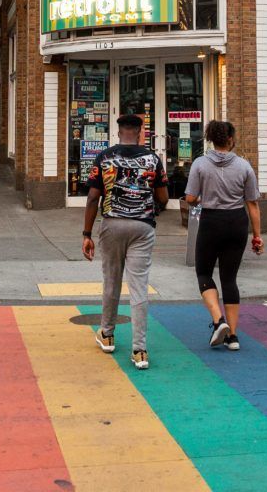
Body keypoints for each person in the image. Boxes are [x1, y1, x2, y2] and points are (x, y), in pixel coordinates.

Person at [83, 114, 169, 370]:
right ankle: (140, 350)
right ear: (141, 132)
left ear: (118, 132)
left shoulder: (105, 157)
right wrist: (150, 206)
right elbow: (164, 197)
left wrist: (87, 234)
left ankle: (107, 334)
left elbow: (92, 198)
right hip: (142, 226)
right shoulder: (153, 159)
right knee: (139, 286)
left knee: (112, 280)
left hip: (112, 224)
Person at [184, 121, 263, 352]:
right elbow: (253, 203)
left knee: (204, 272)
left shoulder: (200, 164)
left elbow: (190, 198)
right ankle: (233, 337)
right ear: (230, 139)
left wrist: (201, 199)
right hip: (237, 222)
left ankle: (219, 321)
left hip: (211, 221)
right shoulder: (244, 166)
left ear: (211, 139)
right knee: (230, 278)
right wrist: (257, 236)